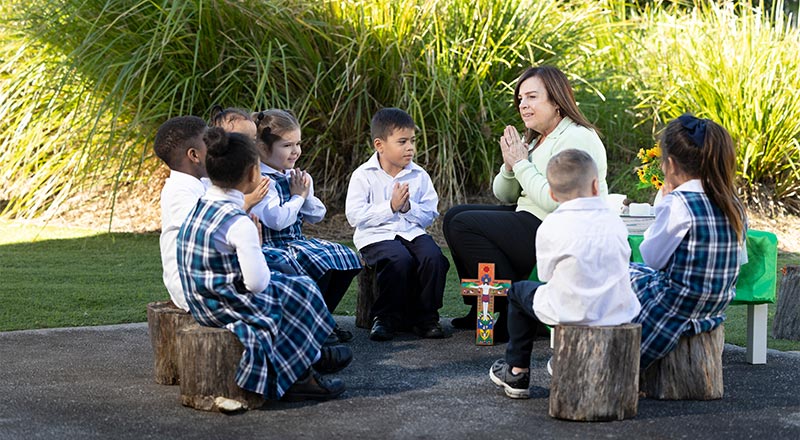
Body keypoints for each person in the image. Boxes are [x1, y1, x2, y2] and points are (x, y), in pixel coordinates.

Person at [176, 127, 352, 401]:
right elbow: (257, 283)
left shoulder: (204, 204)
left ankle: (311, 355)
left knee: (290, 285)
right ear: (251, 174)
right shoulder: (238, 221)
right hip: (222, 305)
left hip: (201, 299)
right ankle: (301, 375)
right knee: (300, 291)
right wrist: (256, 248)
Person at [442, 65, 609, 342]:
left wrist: (521, 163)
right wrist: (510, 167)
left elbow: (556, 200)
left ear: (556, 101)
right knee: (455, 215)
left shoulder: (576, 136)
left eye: (532, 97)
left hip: (560, 228)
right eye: (520, 99)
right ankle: (482, 305)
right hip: (531, 217)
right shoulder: (536, 138)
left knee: (464, 224)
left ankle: (514, 309)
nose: (523, 105)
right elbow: (505, 195)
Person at [488, 149, 640, 399]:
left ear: (551, 193)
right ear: (594, 185)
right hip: (617, 310)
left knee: (518, 292)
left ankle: (517, 371)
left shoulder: (551, 224)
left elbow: (546, 275)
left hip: (571, 310)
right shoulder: (614, 221)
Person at [630, 114, 747, 369]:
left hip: (675, 306)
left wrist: (662, 200)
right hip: (714, 307)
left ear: (670, 164)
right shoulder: (732, 204)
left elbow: (652, 258)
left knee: (621, 273)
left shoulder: (678, 203)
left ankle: (602, 351)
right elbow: (739, 258)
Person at [249, 109, 362, 344]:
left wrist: (305, 195)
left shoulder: (295, 176)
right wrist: (298, 197)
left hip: (295, 242)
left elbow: (317, 215)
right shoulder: (260, 180)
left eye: (298, 144)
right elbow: (276, 220)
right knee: (315, 261)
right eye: (287, 145)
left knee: (343, 256)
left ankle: (323, 319)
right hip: (271, 244)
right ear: (262, 147)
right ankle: (315, 325)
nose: (296, 151)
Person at [345, 107, 451, 341]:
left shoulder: (419, 175)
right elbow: (354, 216)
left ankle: (426, 317)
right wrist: (390, 207)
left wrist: (407, 208)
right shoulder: (363, 175)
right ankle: (385, 317)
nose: (410, 147)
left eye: (412, 141)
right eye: (402, 142)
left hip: (411, 232)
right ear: (379, 145)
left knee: (433, 258)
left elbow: (430, 213)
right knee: (398, 260)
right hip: (376, 236)